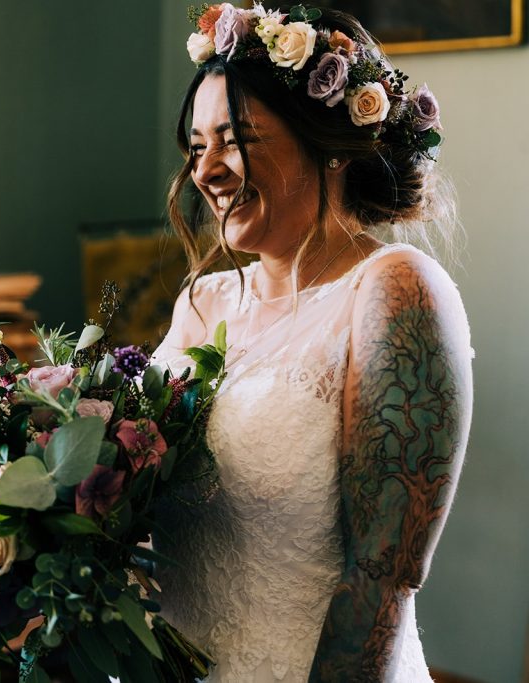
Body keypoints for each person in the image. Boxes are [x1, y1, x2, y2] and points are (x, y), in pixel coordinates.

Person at [150, 4, 474, 682]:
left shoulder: (395, 292)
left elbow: (380, 581)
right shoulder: (202, 303)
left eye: (235, 139)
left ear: (324, 143)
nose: (206, 170)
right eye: (197, 145)